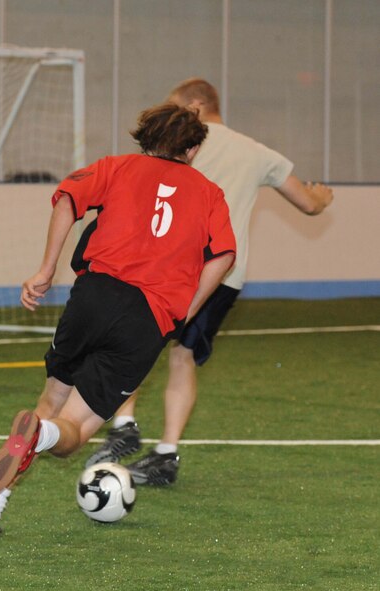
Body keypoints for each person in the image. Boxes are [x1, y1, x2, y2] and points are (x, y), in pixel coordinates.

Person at [0, 102, 237, 539]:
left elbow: (68, 198)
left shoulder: (117, 167)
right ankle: (44, 435)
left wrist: (46, 269)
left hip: (93, 295)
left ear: (145, 137)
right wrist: (184, 310)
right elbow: (223, 255)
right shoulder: (208, 192)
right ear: (194, 147)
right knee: (76, 431)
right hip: (145, 317)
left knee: (50, 400)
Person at [86, 78, 334, 485]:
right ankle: (166, 453)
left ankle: (124, 424)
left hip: (172, 267)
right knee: (182, 356)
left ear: (197, 105)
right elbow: (308, 203)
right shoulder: (258, 152)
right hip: (226, 275)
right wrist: (322, 196)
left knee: (131, 340)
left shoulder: (179, 141)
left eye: (176, 105)